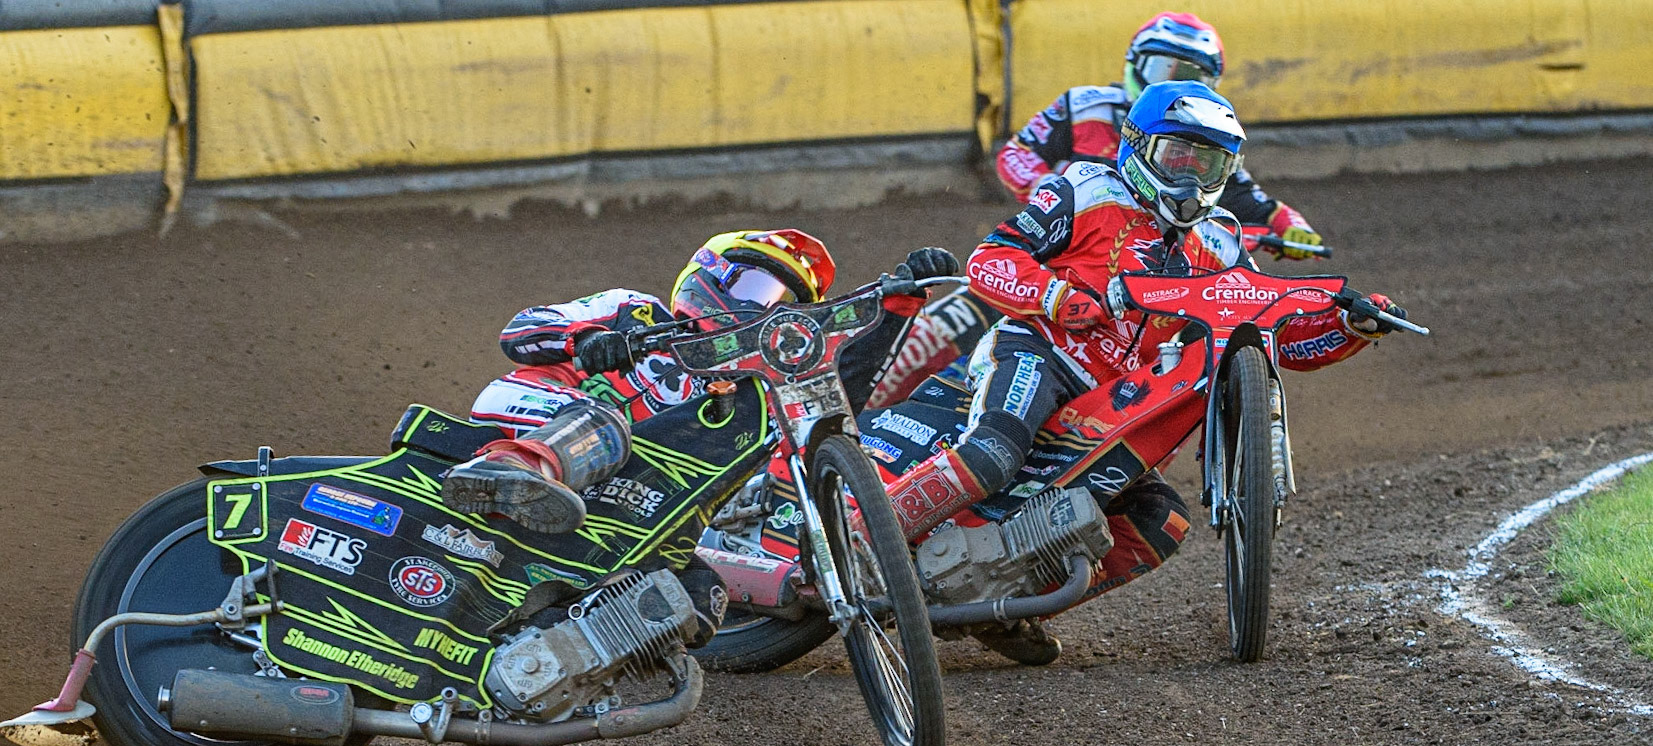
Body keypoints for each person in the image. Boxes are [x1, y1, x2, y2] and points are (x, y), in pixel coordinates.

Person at [875, 80, 1405, 662]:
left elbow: (1274, 332)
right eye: (1176, 157)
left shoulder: (1221, 239)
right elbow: (991, 259)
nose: (1188, 178)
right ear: (1137, 146)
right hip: (1042, 351)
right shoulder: (1085, 188)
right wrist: (1057, 297)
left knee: (1163, 522)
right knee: (996, 451)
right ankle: (862, 541)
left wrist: (1353, 328)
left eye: (1208, 164)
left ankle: (1005, 606)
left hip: (1119, 399)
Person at [867, 10, 1322, 410]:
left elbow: (1258, 203)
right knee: (954, 320)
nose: (1172, 80)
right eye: (1163, 67)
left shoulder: (1199, 151)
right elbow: (1015, 155)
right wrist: (1066, 189)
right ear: (1134, 63)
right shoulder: (1083, 104)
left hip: (1132, 290)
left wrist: (1296, 229)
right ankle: (872, 399)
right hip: (1058, 250)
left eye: (1193, 75)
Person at [440, 229, 958, 531]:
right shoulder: (631, 308)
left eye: (784, 305)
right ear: (710, 274)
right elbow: (520, 330)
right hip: (522, 418)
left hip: (627, 491)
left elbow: (833, 401)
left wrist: (895, 308)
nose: (763, 310)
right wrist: (585, 340)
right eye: (757, 288)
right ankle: (512, 473)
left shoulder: (746, 385)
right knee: (603, 425)